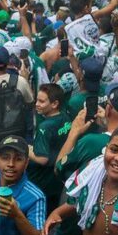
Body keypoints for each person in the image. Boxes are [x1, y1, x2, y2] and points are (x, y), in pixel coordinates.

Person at [27, 83, 69, 216]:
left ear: (54, 104)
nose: (37, 104)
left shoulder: (44, 127)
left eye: (41, 101)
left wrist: (26, 149)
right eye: (37, 100)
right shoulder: (65, 118)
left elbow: (41, 158)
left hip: (40, 181)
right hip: (56, 180)